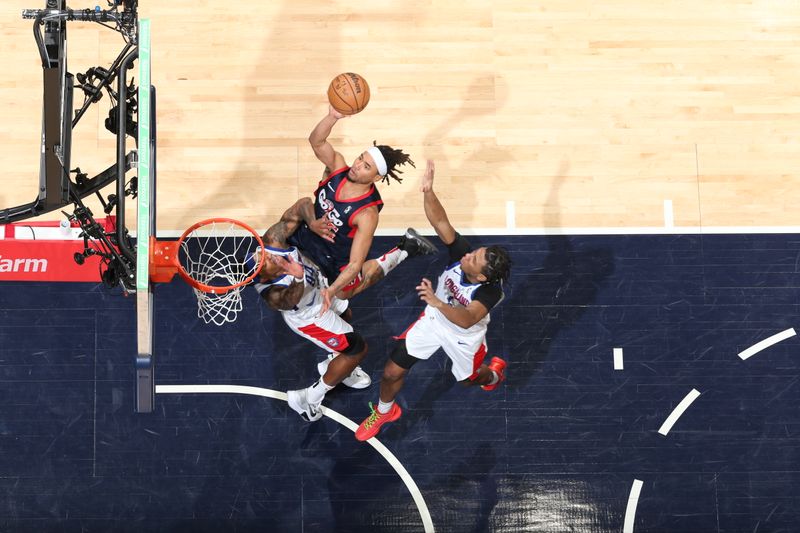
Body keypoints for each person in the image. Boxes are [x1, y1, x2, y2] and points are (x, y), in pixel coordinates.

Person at [354, 160, 512, 442]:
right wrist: (428, 192)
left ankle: (493, 376)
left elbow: (467, 318)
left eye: (473, 259)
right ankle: (384, 411)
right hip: (435, 319)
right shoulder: (461, 257)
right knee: (391, 372)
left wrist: (437, 302)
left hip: (464, 337)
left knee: (468, 379)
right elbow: (440, 222)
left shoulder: (489, 292)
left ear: (481, 277)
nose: (467, 254)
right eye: (473, 251)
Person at [285, 105, 435, 314]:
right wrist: (332, 117)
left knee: (345, 293)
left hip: (336, 256)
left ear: (376, 177)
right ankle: (254, 260)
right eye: (360, 158)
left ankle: (403, 250)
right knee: (289, 219)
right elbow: (316, 141)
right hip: (311, 232)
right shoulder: (336, 167)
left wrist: (332, 290)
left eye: (366, 166)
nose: (357, 165)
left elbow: (355, 263)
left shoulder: (367, 214)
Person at [248, 216, 371, 422]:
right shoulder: (271, 293)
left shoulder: (273, 243)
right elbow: (289, 300)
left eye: (261, 254)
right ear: (264, 277)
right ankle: (309, 398)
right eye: (264, 263)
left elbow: (301, 205)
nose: (266, 256)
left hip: (321, 292)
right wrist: (297, 277)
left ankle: (337, 364)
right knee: (357, 349)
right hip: (312, 318)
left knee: (346, 314)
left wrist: (312, 222)